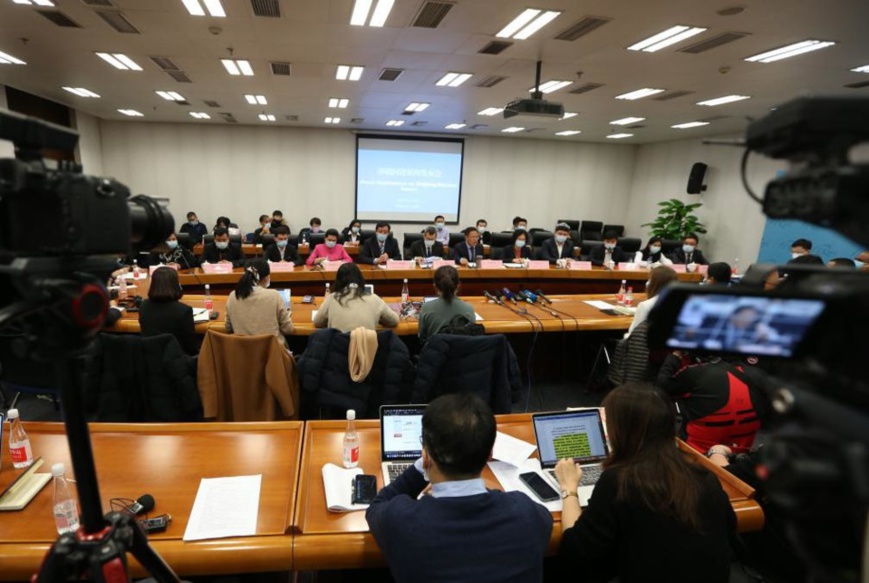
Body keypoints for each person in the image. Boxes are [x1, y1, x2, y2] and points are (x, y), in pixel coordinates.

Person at [554, 383, 736, 583]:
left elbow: (575, 550)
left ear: (619, 430)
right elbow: (731, 533)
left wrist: (569, 488)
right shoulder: (704, 475)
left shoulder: (618, 480)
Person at [367, 393, 552, 583]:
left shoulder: (402, 520)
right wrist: (493, 492)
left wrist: (420, 468)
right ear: (489, 455)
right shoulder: (526, 514)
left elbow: (377, 506)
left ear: (426, 457)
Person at [658, 354, 771, 454]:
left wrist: (674, 356)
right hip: (739, 455)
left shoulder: (697, 373)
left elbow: (663, 386)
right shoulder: (760, 376)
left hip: (696, 453)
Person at [225, 259, 293, 347]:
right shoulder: (274, 295)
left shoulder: (233, 295)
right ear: (267, 277)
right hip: (272, 356)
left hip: (242, 356)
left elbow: (228, 328)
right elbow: (288, 329)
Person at [312, 263, 399, 332]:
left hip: (338, 351)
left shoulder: (332, 298)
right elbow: (394, 321)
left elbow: (317, 322)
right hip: (366, 353)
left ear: (338, 281)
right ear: (360, 278)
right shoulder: (374, 299)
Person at [139, 266, 198, 355]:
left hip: (150, 361)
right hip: (177, 363)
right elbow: (191, 347)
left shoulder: (143, 306)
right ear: (176, 285)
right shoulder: (184, 311)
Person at [418, 265, 475, 344]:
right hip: (461, 354)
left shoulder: (426, 307)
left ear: (435, 286)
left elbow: (422, 337)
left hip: (435, 354)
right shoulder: (469, 309)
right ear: (458, 285)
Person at [625, 265, 677, 338]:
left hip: (643, 347)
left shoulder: (645, 305)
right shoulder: (679, 303)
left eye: (650, 279)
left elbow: (633, 334)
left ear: (654, 283)